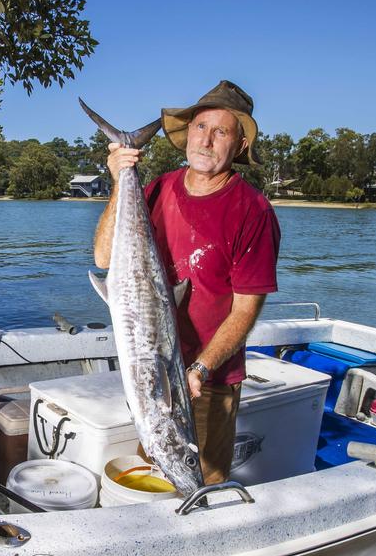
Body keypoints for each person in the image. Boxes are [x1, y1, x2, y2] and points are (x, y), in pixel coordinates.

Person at [93, 80, 281, 484]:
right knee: (155, 478)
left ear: (240, 145)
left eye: (221, 131)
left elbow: (246, 310)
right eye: (200, 127)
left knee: (199, 486)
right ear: (188, 133)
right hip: (146, 368)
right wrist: (119, 180)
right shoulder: (157, 190)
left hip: (205, 380)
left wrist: (198, 368)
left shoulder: (253, 212)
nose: (207, 140)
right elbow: (104, 258)